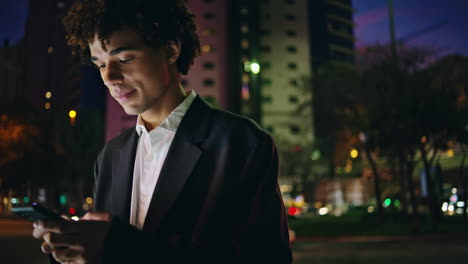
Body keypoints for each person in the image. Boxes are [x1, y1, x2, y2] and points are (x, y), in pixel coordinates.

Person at [32, 0, 292, 263]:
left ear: (170, 49)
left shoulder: (240, 143)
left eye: (124, 58)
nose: (110, 76)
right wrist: (72, 248)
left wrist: (118, 247)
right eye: (100, 64)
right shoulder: (111, 155)